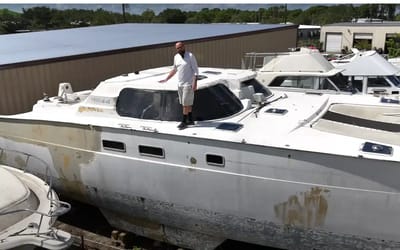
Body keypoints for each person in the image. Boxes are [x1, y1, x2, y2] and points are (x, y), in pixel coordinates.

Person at [159, 41, 199, 129]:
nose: (179, 49)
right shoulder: (176, 57)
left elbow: (196, 71)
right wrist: (166, 79)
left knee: (185, 104)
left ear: (184, 47)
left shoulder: (190, 56)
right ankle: (191, 119)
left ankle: (184, 121)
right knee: (186, 103)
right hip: (180, 84)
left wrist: (195, 83)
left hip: (188, 84)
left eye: (180, 47)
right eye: (177, 48)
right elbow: (174, 69)